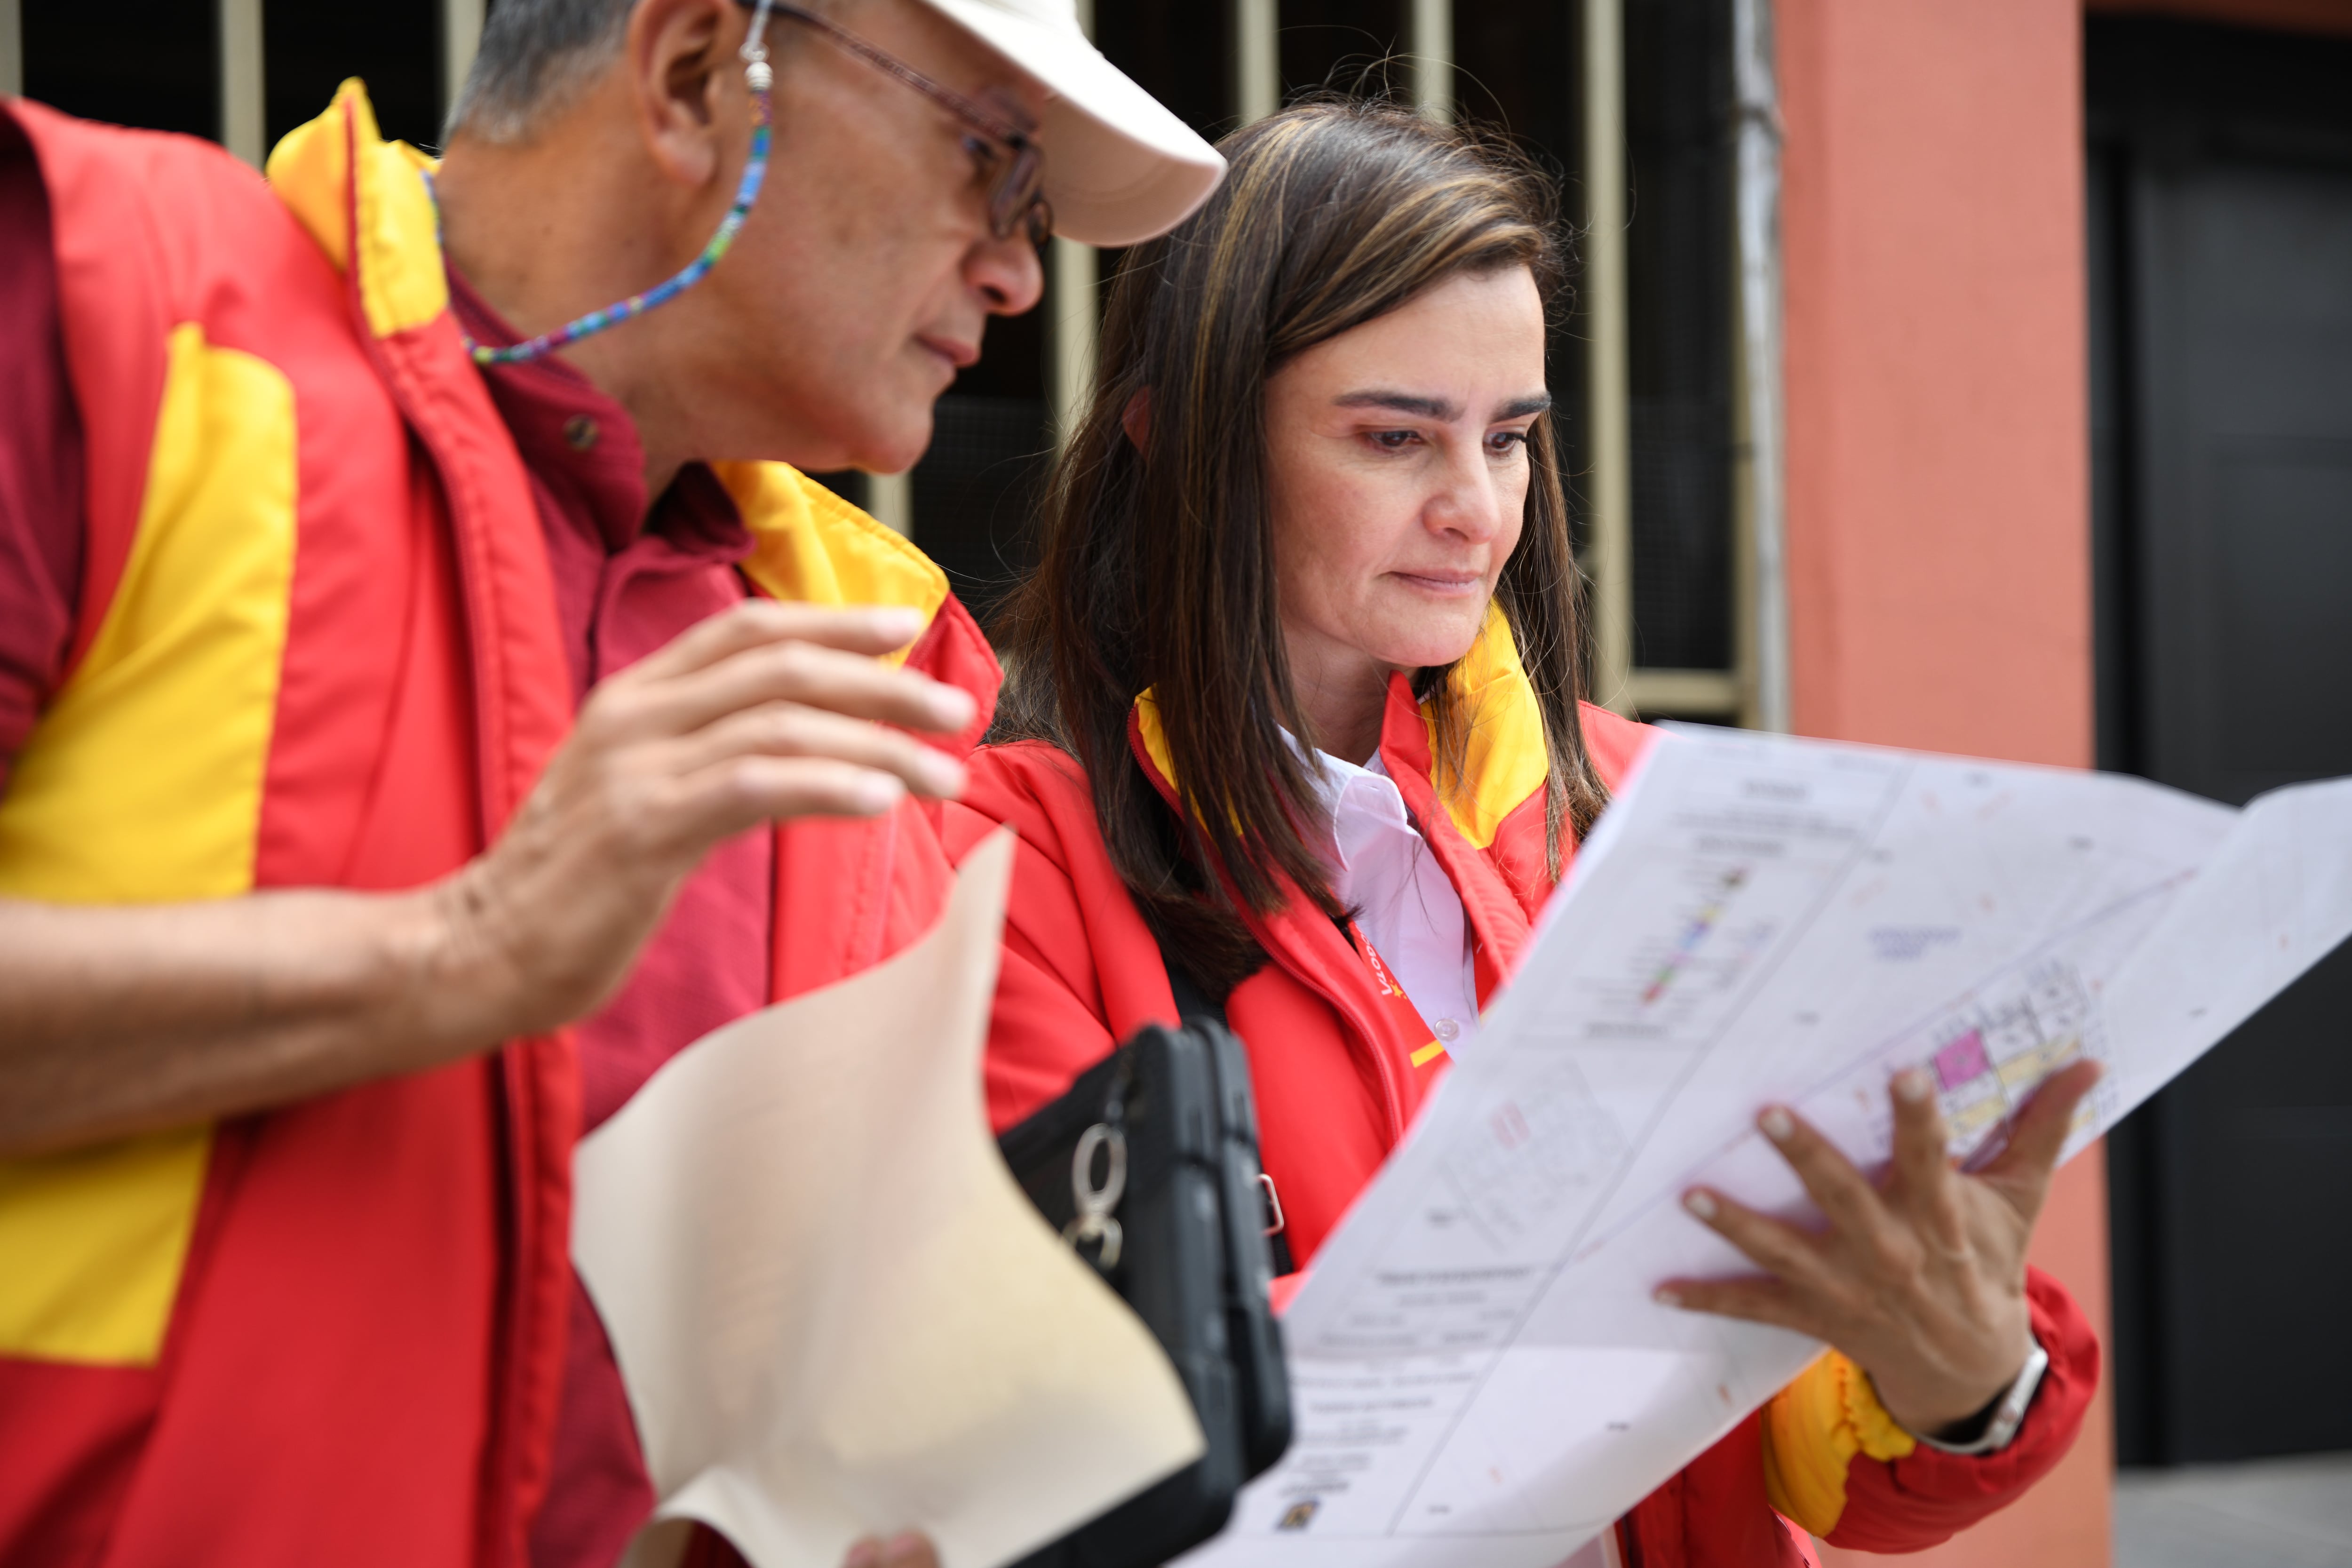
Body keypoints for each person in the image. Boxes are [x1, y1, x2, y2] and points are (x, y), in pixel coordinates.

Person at [0, 3, 1221, 1565]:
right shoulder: (104, 295)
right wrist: (461, 956)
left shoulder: (881, 664)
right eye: (991, 161)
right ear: (700, 69)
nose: (1020, 270)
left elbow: (975, 1362)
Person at [946, 100, 2101, 1567]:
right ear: (1175, 433)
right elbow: (1075, 1426)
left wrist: (1962, 1382)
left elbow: (1807, 1468)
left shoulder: (1664, 817)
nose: (1477, 510)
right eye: (1393, 437)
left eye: (1510, 437)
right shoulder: (1006, 869)